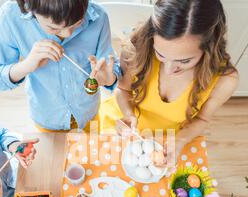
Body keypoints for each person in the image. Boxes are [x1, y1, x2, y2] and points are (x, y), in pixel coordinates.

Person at [98, 0, 239, 163]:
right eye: (161, 55)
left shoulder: (224, 80)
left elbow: (202, 119)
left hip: (169, 140)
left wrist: (179, 141)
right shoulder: (137, 47)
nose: (169, 69)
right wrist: (128, 114)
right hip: (120, 124)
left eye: (184, 61)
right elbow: (122, 90)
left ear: (209, 48)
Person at [0, 0, 121, 131]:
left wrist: (110, 79)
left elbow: (112, 69)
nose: (67, 34)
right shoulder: (11, 16)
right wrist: (27, 65)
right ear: (30, 8)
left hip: (88, 114)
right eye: (54, 28)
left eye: (77, 24)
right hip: (47, 120)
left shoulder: (98, 17)